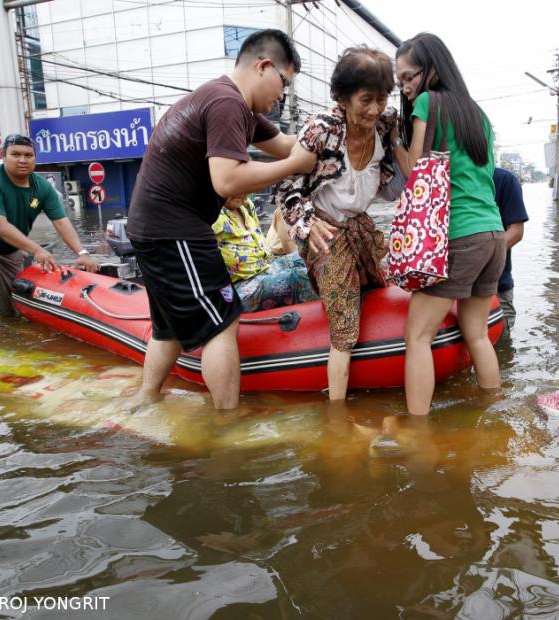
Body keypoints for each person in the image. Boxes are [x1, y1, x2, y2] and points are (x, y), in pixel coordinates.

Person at [126, 29, 316, 410]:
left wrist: (330, 138)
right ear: (263, 67)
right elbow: (227, 179)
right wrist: (293, 166)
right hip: (174, 228)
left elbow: (284, 144)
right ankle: (226, 420)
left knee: (168, 327)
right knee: (222, 321)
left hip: (154, 226)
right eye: (284, 83)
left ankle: (146, 399)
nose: (283, 95)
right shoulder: (227, 102)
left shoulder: (238, 107)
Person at [274, 45, 401, 400]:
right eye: (366, 100)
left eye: (381, 98)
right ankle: (338, 419)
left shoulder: (386, 122)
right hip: (325, 231)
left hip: (361, 226)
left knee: (382, 286)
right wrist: (307, 224)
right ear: (342, 98)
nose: (375, 109)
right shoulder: (322, 130)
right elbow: (286, 186)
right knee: (344, 329)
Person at [392, 33, 505, 416]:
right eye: (400, 81)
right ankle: (494, 411)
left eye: (409, 77)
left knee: (417, 335)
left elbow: (416, 175)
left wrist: (393, 140)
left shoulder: (428, 102)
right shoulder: (479, 115)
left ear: (433, 70)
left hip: (458, 237)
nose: (405, 88)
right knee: (476, 334)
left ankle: (417, 430)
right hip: (494, 235)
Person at [0, 134, 99, 342]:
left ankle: (7, 337)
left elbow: (61, 222)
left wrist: (82, 253)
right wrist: (36, 249)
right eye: (16, 154)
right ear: (3, 156)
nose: (23, 160)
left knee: (14, 303)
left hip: (9, 249)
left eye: (28, 155)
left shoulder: (43, 188)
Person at [212, 194, 317, 312]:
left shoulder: (246, 206)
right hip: (238, 289)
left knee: (306, 258)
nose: (240, 192)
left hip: (265, 269)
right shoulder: (211, 213)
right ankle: (329, 320)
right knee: (300, 277)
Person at [492, 168, 528, 330]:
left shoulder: (504, 179)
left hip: (497, 284)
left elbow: (516, 232)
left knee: (500, 342)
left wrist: (480, 258)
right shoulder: (447, 176)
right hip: (452, 288)